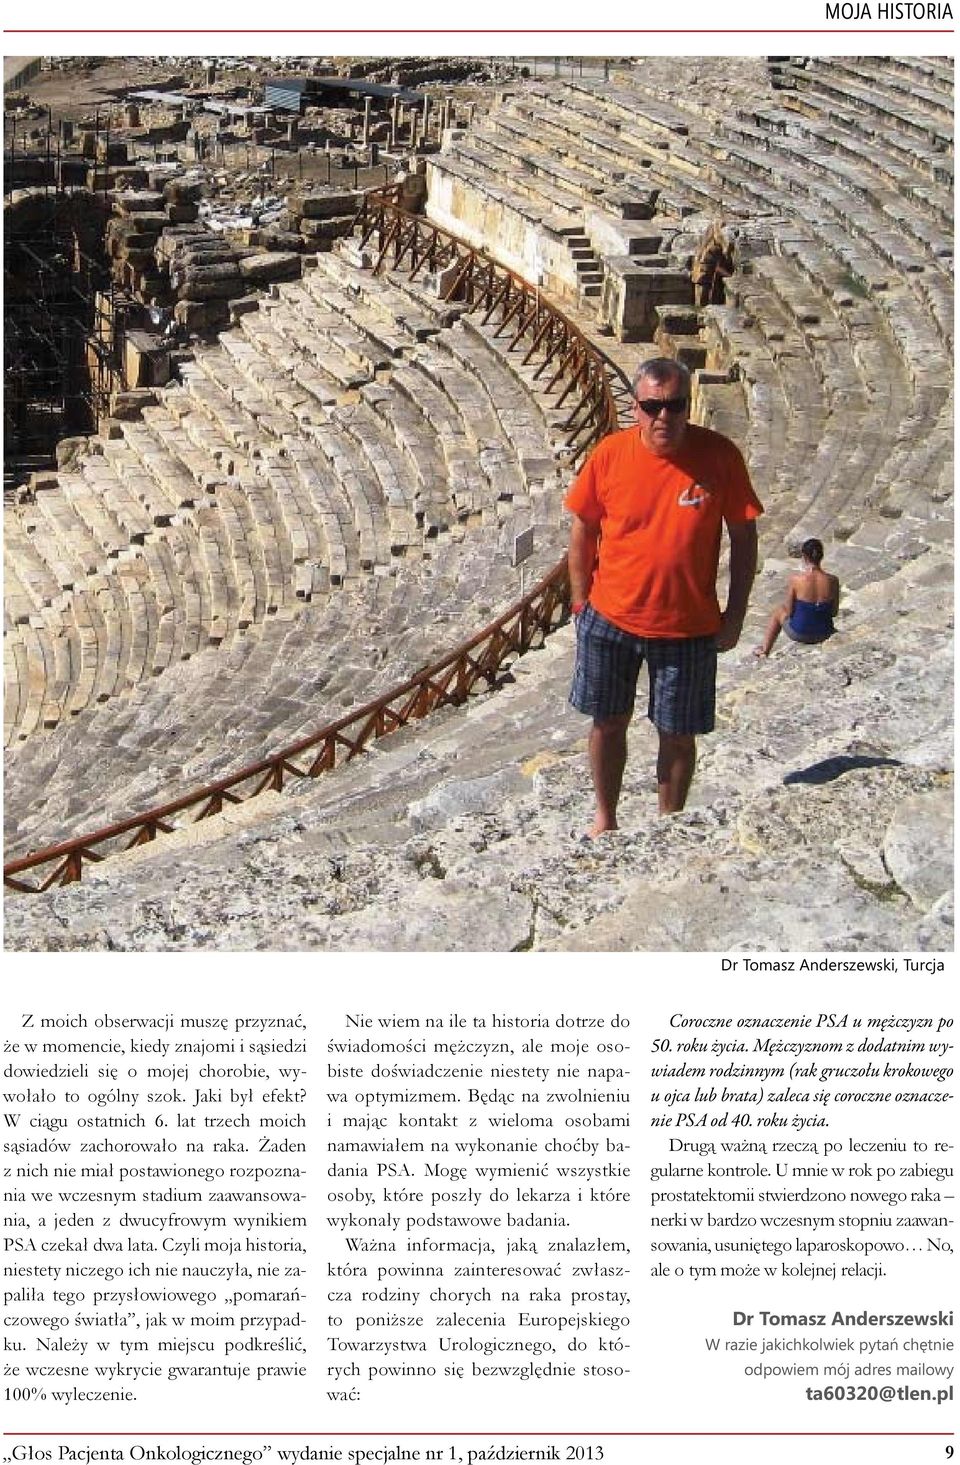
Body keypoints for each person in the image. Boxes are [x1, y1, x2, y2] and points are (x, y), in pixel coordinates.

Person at [566, 357, 763, 835]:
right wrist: (579, 601)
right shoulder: (611, 455)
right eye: (653, 406)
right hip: (610, 619)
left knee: (678, 734)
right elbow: (583, 528)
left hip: (688, 627)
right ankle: (605, 819)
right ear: (637, 406)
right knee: (607, 722)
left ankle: (667, 827)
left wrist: (734, 615)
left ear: (687, 405)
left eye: (674, 405)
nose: (664, 417)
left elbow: (744, 539)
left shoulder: (719, 457)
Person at [755, 539, 839, 658]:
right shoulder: (833, 580)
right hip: (825, 632)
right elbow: (834, 612)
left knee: (779, 612)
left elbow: (789, 612)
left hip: (800, 633)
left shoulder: (796, 580)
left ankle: (764, 650)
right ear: (821, 556)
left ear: (804, 557)